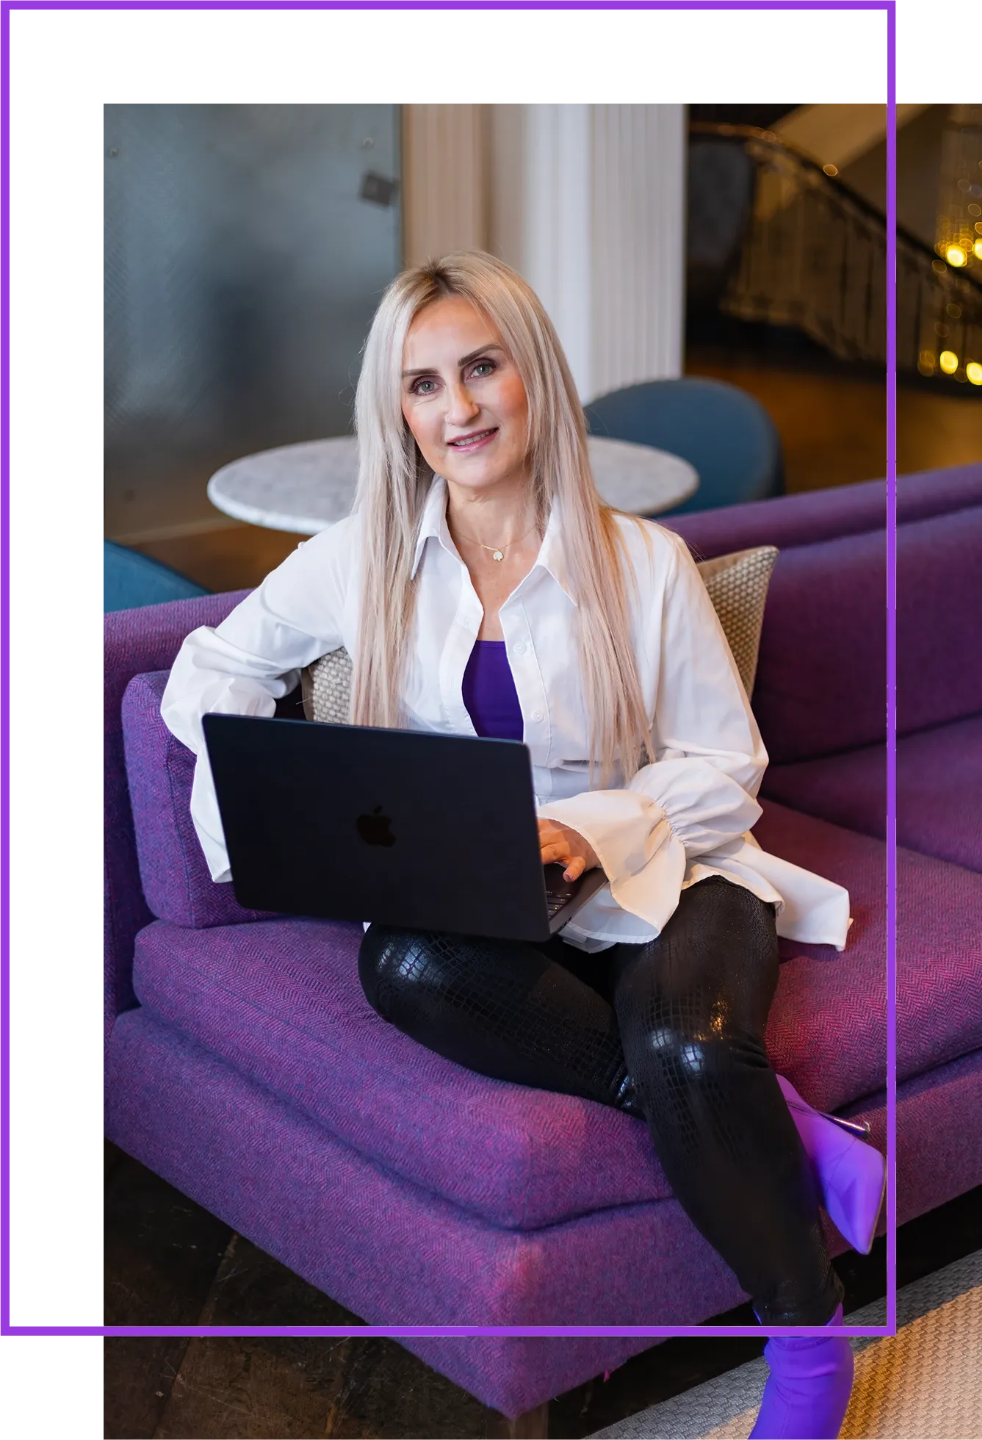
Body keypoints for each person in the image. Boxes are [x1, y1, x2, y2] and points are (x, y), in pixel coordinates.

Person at [162, 251, 885, 1440]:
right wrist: (280, 773)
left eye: (482, 368)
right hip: (478, 891)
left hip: (669, 867)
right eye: (423, 384)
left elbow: (724, 765)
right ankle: (790, 1129)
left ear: (533, 375)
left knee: (690, 1043)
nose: (459, 408)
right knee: (403, 960)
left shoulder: (641, 560)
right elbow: (208, 673)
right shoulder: (360, 558)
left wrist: (585, 831)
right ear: (397, 409)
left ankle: (811, 1345)